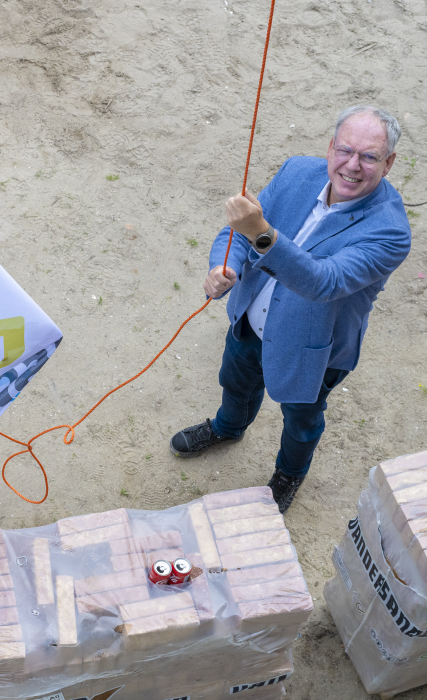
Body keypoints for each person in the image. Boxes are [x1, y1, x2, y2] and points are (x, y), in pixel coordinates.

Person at [170, 105, 412, 514]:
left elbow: (324, 282)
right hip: (250, 321)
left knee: (302, 421)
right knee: (236, 382)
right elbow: (239, 235)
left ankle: (289, 473)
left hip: (312, 351)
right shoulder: (297, 171)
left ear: (388, 163)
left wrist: (260, 232)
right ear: (330, 147)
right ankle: (228, 427)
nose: (352, 165)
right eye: (345, 150)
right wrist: (223, 266)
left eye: (369, 156)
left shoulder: (390, 232)